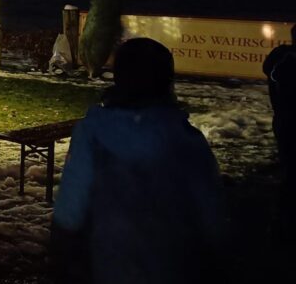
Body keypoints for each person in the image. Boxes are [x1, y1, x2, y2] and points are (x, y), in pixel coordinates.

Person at [51, 38, 225, 284]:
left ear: (119, 77)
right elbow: (212, 218)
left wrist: (63, 264)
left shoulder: (92, 134)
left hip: (110, 266)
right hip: (173, 267)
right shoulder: (187, 140)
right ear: (166, 81)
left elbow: (69, 213)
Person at [264, 24, 296, 243]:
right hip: (290, 124)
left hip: (284, 123)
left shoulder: (281, 58)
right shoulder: (286, 62)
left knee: (289, 173)